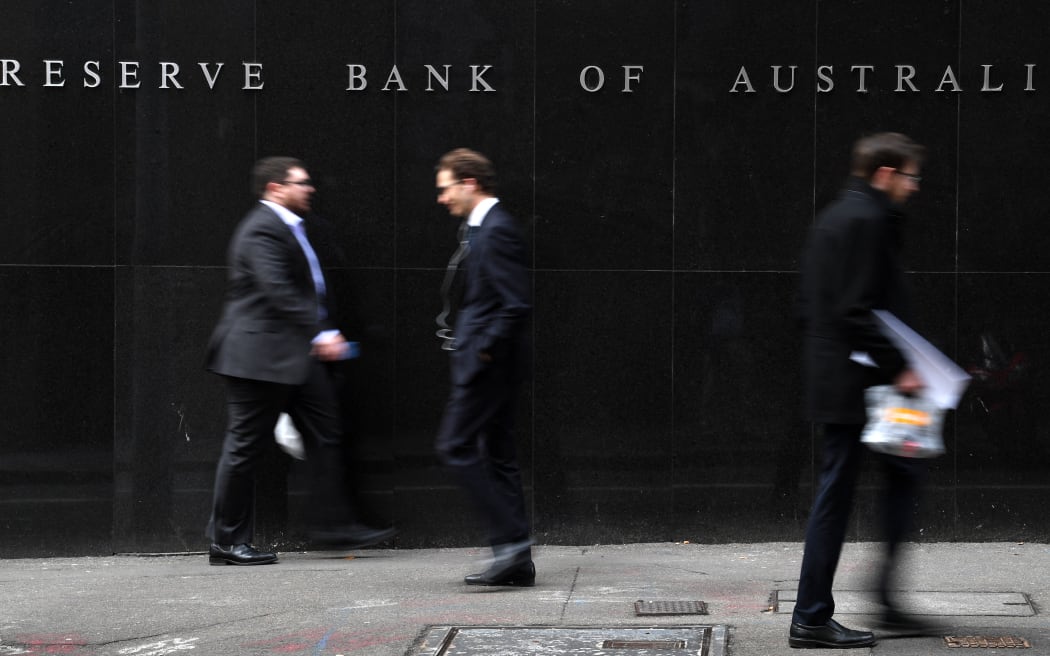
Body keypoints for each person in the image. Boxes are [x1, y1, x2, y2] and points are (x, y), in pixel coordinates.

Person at [204, 156, 395, 565]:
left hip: (291, 354)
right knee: (244, 447)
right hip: (257, 357)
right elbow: (277, 290)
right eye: (301, 182)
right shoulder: (261, 230)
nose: (310, 188)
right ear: (276, 188)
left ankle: (334, 527)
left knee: (327, 432)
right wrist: (321, 331)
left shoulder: (292, 226)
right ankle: (225, 541)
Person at [790, 133, 929, 648]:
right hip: (865, 385)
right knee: (841, 493)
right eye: (911, 177)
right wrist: (901, 367)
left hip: (843, 379)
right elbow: (857, 309)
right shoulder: (868, 221)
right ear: (886, 173)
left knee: (894, 475)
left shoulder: (832, 217)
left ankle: (875, 601)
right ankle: (810, 615)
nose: (915, 188)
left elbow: (808, 305)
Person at [433, 148, 534, 586]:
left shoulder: (496, 232)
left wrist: (483, 351)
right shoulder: (479, 229)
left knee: (454, 447)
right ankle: (517, 563)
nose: (442, 198)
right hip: (490, 362)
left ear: (469, 182)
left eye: (446, 188)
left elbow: (516, 305)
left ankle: (510, 543)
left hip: (487, 366)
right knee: (498, 456)